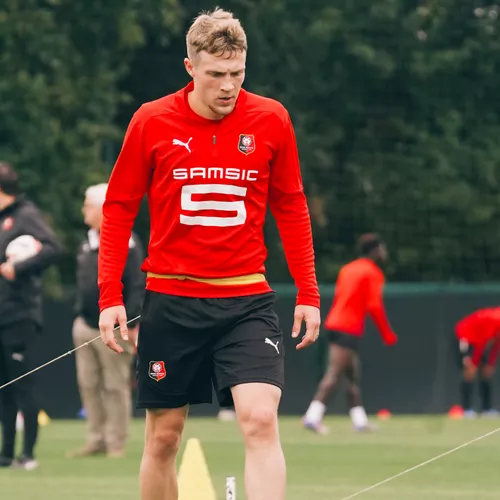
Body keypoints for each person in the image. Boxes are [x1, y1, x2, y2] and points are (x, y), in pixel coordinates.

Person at [97, 8, 320, 500]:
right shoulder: (151, 120)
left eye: (237, 73)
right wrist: (110, 294)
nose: (228, 86)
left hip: (247, 303)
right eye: (216, 74)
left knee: (260, 420)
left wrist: (309, 291)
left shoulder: (272, 118)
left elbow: (292, 206)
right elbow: (117, 208)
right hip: (170, 304)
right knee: (164, 437)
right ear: (190, 67)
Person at [67, 183, 144, 458]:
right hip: (85, 323)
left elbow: (137, 285)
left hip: (115, 327)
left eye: (88, 205)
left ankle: (116, 443)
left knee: (114, 385)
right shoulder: (87, 240)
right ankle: (96, 438)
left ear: (103, 209)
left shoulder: (128, 242)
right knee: (88, 383)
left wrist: (131, 323)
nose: (83, 210)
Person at [303, 233, 397, 434]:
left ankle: (359, 421)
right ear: (374, 250)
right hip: (348, 328)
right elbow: (374, 306)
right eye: (381, 248)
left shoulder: (347, 269)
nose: (384, 253)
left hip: (336, 324)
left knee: (352, 377)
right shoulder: (372, 273)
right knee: (334, 374)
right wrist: (387, 333)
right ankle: (312, 416)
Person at [0, 161, 61, 469]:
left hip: (19, 315)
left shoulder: (26, 215)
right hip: (1, 315)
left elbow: (52, 248)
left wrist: (18, 268)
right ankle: (6, 453)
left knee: (22, 384)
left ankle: (29, 454)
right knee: (4, 390)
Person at [455, 307, 500, 418]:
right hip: (466, 336)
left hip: (479, 342)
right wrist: (474, 361)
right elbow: (482, 341)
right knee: (470, 372)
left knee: (486, 372)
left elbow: (496, 342)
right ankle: (466, 409)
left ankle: (487, 409)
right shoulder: (495, 319)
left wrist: (491, 362)